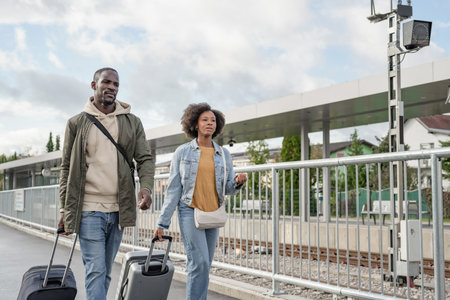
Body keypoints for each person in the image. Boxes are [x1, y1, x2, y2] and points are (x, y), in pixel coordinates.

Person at [58, 67, 154, 300]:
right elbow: (66, 167)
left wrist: (146, 187)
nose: (112, 87)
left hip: (119, 209)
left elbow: (144, 159)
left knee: (106, 270)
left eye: (116, 84)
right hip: (89, 208)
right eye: (107, 82)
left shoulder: (132, 122)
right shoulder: (76, 123)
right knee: (96, 269)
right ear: (94, 85)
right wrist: (64, 208)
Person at [154, 102, 247, 300]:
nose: (209, 123)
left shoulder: (224, 154)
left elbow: (229, 189)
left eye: (213, 120)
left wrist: (238, 182)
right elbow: (173, 189)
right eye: (205, 120)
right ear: (195, 124)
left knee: (205, 264)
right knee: (199, 262)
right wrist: (163, 222)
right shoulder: (183, 152)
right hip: (189, 210)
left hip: (213, 212)